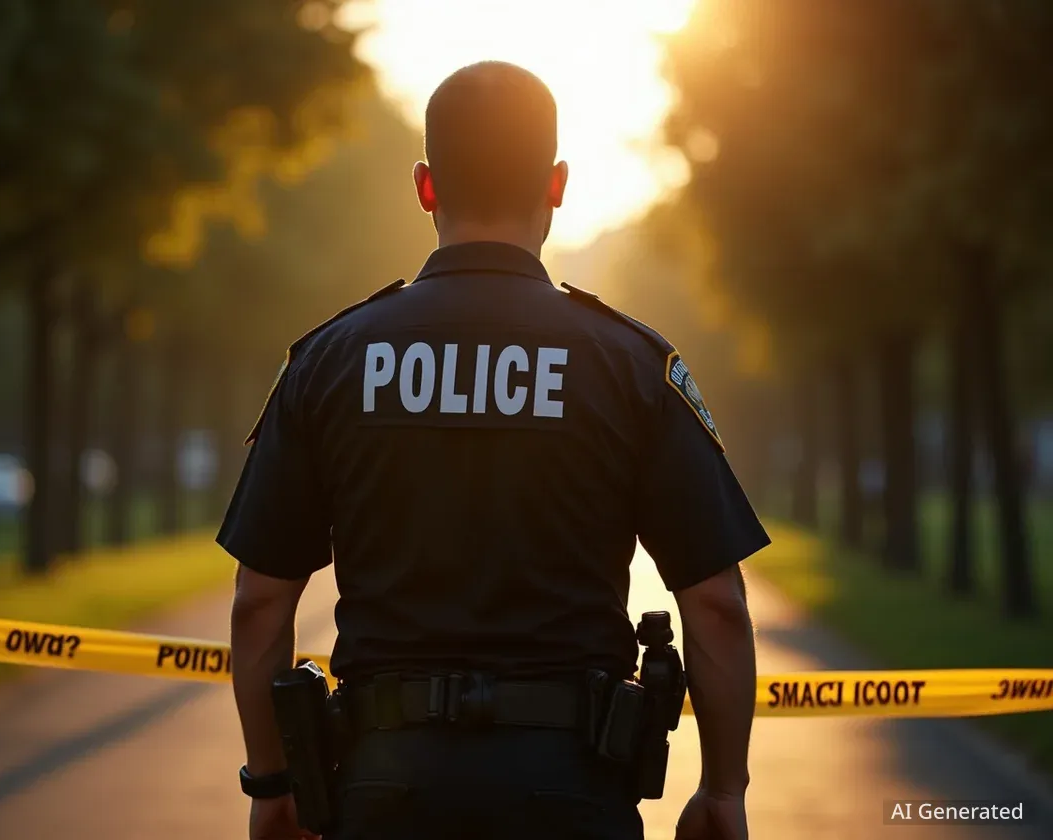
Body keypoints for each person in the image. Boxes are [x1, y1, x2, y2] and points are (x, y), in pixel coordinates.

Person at [219, 60, 768, 840]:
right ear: (557, 184)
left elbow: (259, 603)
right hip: (572, 794)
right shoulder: (630, 365)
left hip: (384, 791)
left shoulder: (331, 362)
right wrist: (723, 791)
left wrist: (272, 787)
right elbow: (715, 605)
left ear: (425, 187)